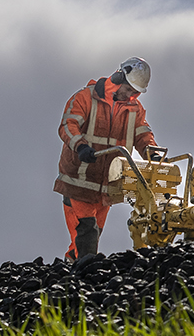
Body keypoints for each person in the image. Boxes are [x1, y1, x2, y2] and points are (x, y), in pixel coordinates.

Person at [53, 57, 158, 263]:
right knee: (88, 230)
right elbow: (68, 125)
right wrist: (81, 146)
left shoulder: (134, 110)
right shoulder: (85, 98)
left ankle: (71, 267)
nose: (131, 95)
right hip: (79, 179)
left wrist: (151, 152)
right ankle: (84, 272)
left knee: (92, 233)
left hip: (107, 184)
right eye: (128, 90)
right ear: (118, 77)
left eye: (135, 93)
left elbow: (142, 135)